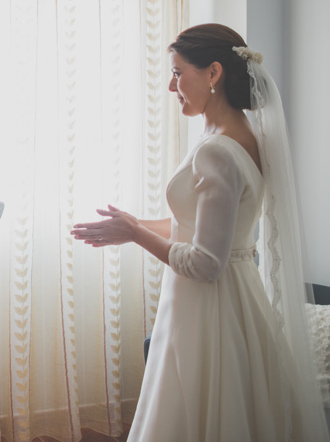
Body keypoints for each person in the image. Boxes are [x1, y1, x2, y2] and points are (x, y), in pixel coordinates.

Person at [72, 24, 329, 442]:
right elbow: (198, 228)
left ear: (213, 73)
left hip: (209, 309)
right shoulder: (243, 137)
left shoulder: (217, 150)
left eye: (177, 73)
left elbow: (206, 264)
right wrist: (132, 224)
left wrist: (135, 234)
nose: (172, 86)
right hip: (236, 301)